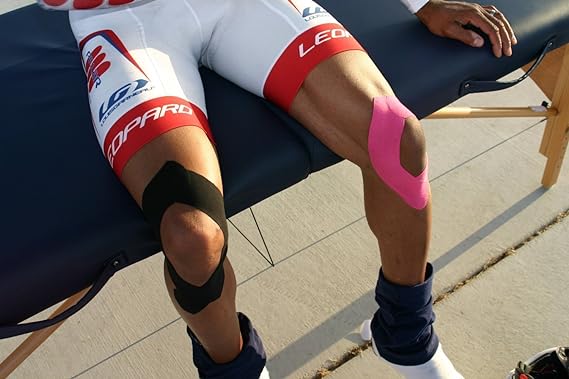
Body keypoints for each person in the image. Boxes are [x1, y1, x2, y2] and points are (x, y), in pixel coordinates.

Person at [38, 0, 517, 377]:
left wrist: (423, 2)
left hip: (246, 7)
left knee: (397, 139)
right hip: (126, 21)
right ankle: (236, 372)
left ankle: (406, 334)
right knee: (191, 236)